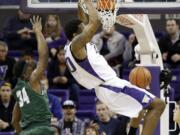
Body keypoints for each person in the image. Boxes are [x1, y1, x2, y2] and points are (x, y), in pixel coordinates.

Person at [64, 1, 166, 135]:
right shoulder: (77, 46)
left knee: (139, 107)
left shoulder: (71, 46)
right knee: (158, 105)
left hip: (107, 87)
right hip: (110, 86)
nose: (86, 27)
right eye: (83, 27)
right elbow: (94, 22)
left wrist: (81, 4)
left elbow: (82, 21)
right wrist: (89, 2)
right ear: (75, 35)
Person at [11, 16, 55, 135]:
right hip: (41, 129)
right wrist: (38, 32)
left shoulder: (18, 92)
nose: (31, 63)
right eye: (28, 65)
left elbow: (14, 121)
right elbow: (44, 55)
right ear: (25, 73)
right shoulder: (32, 80)